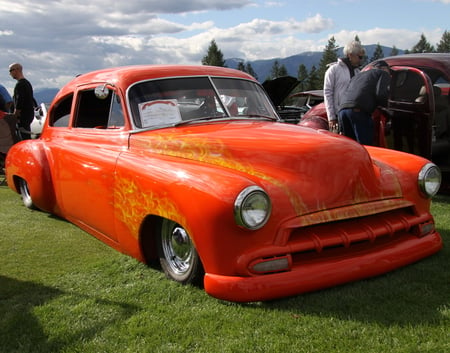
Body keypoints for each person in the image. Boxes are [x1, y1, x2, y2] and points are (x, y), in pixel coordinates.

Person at [338, 60, 391, 145]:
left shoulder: (358, 76)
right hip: (359, 111)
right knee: (365, 145)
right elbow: (381, 93)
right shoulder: (383, 73)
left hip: (342, 110)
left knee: (350, 145)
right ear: (385, 69)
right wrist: (387, 109)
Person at [323, 40, 365, 132]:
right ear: (350, 55)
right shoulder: (333, 70)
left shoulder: (358, 72)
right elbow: (327, 93)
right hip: (338, 115)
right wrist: (331, 117)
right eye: (359, 57)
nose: (361, 60)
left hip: (354, 115)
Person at [9, 62, 35, 140]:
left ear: (17, 70)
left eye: (10, 71)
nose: (10, 74)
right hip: (28, 116)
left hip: (22, 118)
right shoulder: (27, 83)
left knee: (23, 138)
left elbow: (19, 103)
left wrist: (15, 116)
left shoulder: (20, 85)